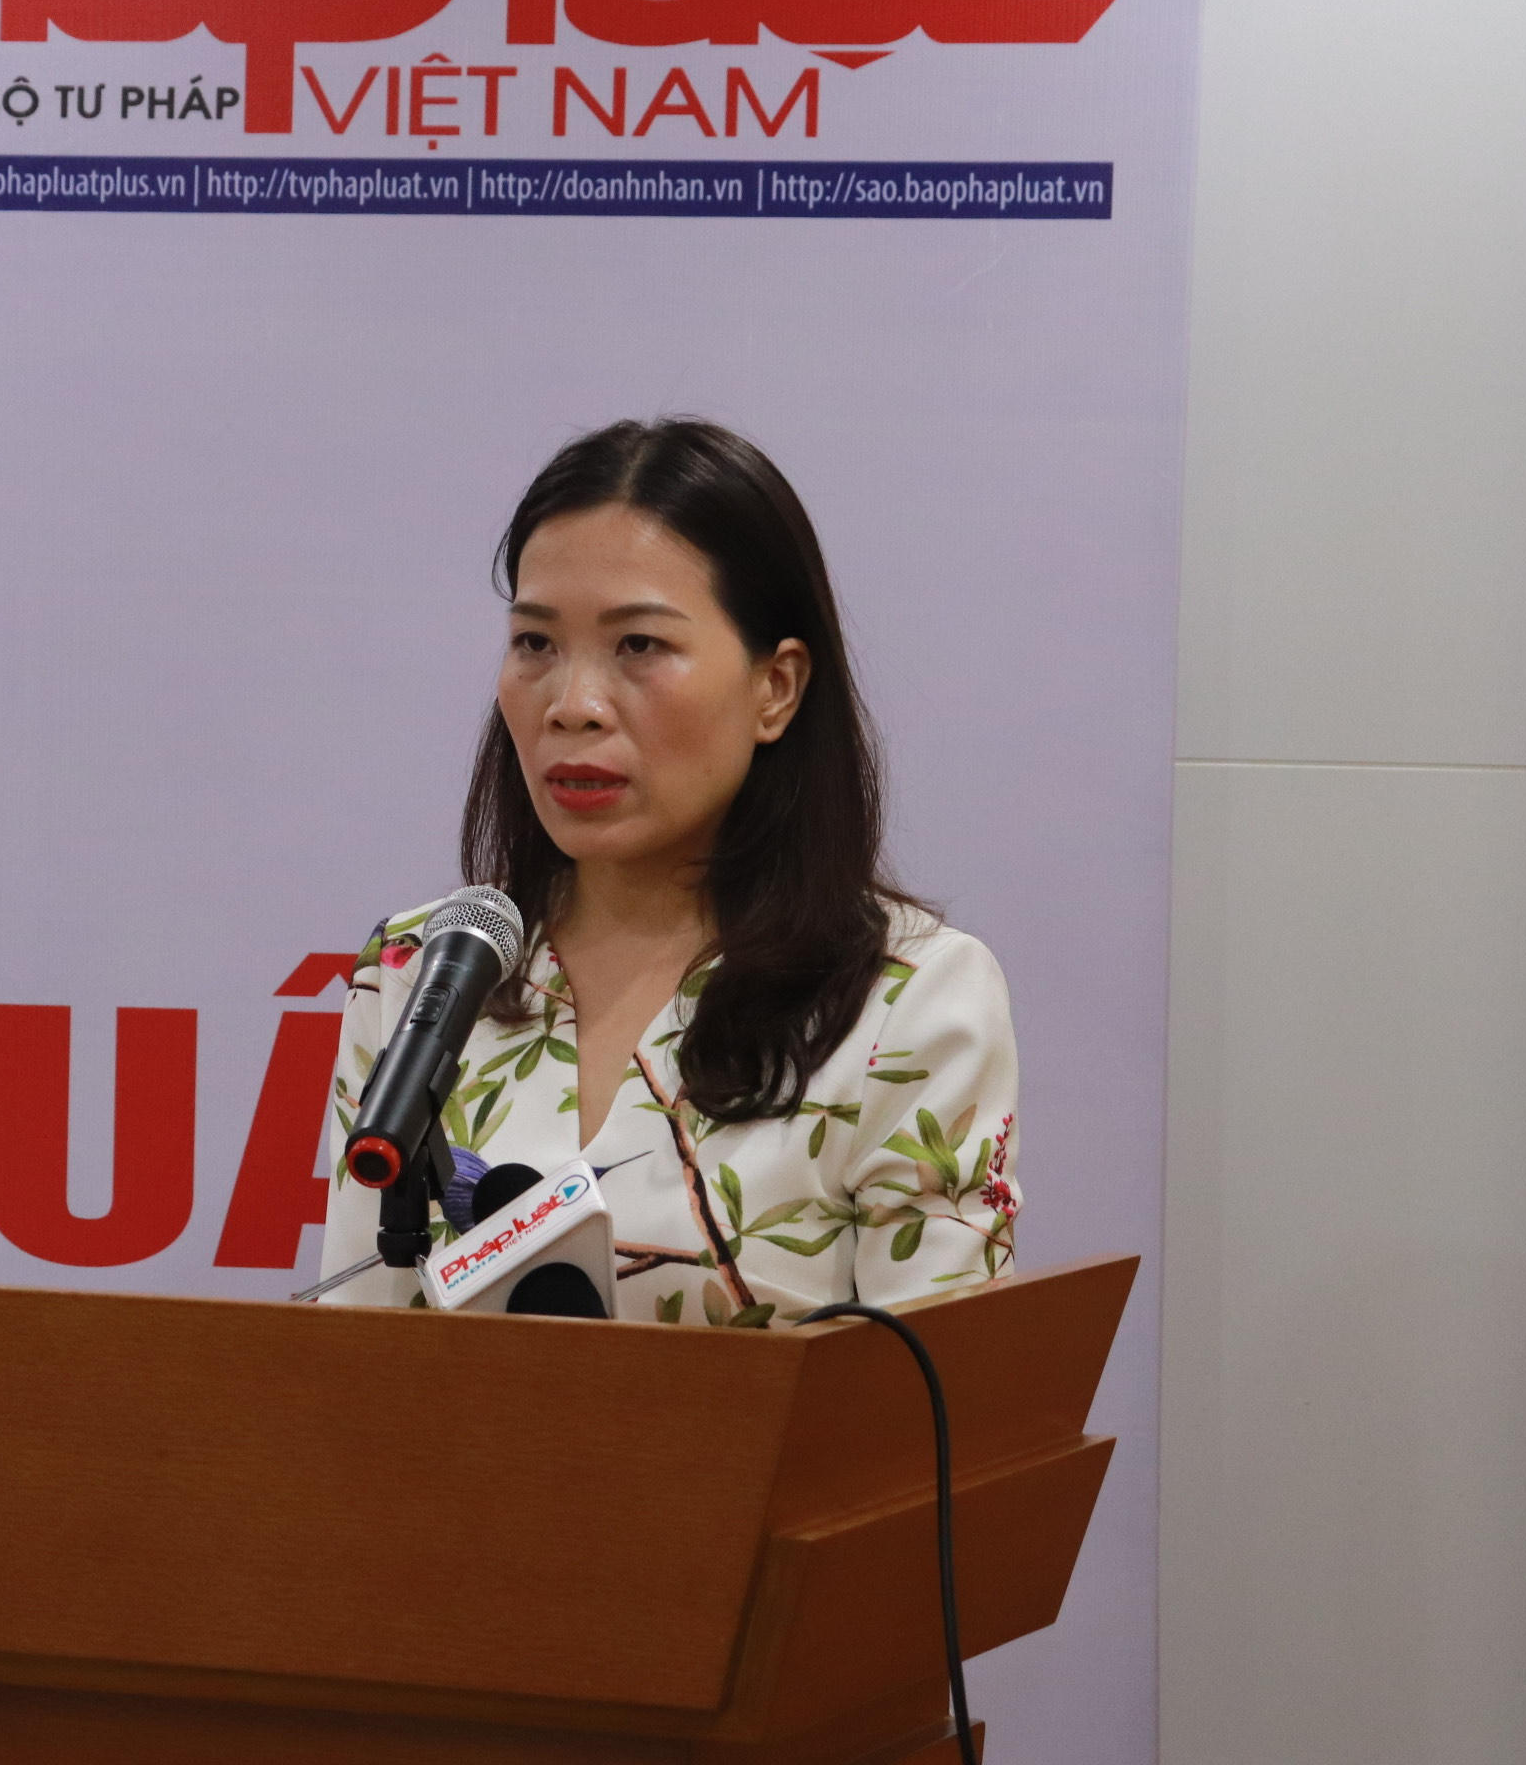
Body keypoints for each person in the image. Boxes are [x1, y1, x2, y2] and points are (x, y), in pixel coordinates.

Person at [317, 419, 1019, 1325]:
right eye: (535, 644)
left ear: (776, 688)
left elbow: (938, 1400)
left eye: (639, 645)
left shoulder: (908, 999)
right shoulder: (423, 966)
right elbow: (352, 1354)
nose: (573, 706)